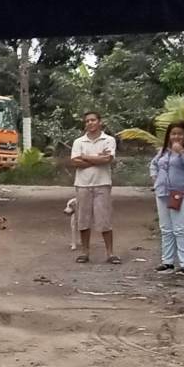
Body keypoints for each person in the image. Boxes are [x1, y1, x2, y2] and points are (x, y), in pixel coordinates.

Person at [68, 111, 120, 264]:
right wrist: (98, 159)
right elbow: (75, 161)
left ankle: (110, 253)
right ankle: (85, 252)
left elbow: (108, 159)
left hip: (102, 183)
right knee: (83, 219)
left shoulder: (108, 140)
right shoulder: (79, 142)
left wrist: (84, 157)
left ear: (99, 122)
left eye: (93, 120)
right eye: (87, 121)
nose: (90, 123)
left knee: (104, 219)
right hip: (82, 184)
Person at [150, 121, 184, 275]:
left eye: (180, 134)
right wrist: (155, 178)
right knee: (166, 229)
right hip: (163, 193)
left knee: (181, 229)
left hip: (182, 193)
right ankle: (167, 262)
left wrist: (181, 152)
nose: (176, 137)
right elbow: (153, 164)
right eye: (173, 134)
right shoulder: (163, 151)